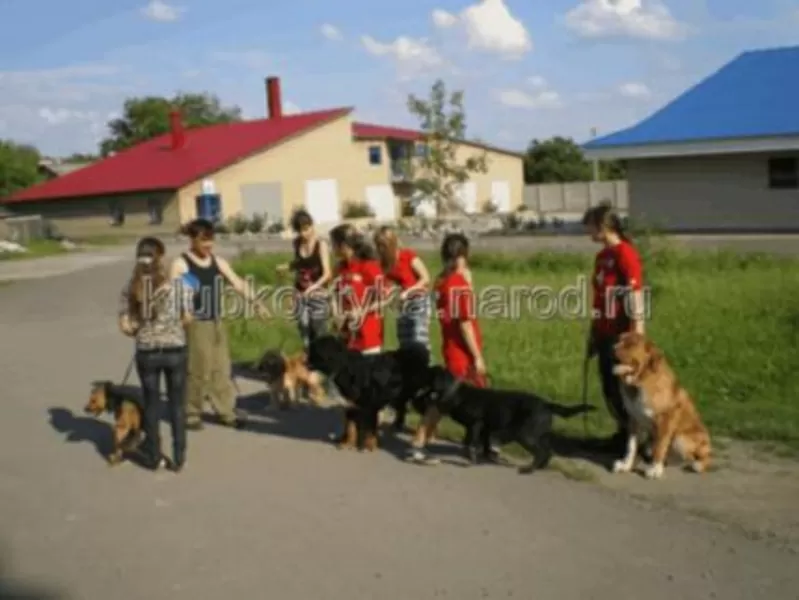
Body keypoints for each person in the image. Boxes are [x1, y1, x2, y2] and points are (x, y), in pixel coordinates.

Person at [170, 218, 262, 431]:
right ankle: (192, 413)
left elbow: (237, 282)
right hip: (196, 324)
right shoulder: (181, 263)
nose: (208, 245)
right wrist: (185, 311)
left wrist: (256, 302)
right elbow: (178, 292)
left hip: (217, 321)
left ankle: (226, 412)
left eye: (210, 240)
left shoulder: (217, 261)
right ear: (192, 240)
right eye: (204, 241)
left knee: (222, 368)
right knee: (198, 369)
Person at [408, 232, 489, 464]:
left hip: (449, 346)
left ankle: (479, 442)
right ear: (461, 256)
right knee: (445, 400)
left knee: (469, 398)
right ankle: (419, 442)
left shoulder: (442, 280)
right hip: (462, 351)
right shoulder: (458, 283)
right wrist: (477, 356)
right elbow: (464, 324)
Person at [118, 237, 191, 471]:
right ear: (160, 257)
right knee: (176, 405)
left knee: (151, 404)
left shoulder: (131, 287)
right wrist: (172, 328)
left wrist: (140, 331)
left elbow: (126, 326)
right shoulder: (177, 285)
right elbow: (188, 318)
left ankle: (153, 455)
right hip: (175, 351)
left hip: (147, 353)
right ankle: (179, 457)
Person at [582, 202, 646, 453]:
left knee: (626, 389)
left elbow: (635, 294)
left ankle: (641, 440)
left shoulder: (625, 253)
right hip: (604, 331)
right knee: (609, 386)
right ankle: (623, 434)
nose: (587, 231)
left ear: (603, 226)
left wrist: (637, 336)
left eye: (589, 225)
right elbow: (599, 296)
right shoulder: (601, 257)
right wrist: (593, 333)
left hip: (622, 336)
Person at [277, 209, 332, 350]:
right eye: (300, 231)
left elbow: (327, 273)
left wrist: (313, 287)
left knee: (318, 328)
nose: (303, 234)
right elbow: (299, 264)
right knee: (303, 327)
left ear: (312, 226)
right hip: (300, 292)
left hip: (318, 293)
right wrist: (287, 267)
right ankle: (310, 357)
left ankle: (323, 360)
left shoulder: (321, 245)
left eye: (306, 229)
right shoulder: (297, 243)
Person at [329, 223, 385, 355]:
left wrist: (362, 311)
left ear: (343, 246)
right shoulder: (339, 268)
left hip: (368, 336)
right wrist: (336, 313)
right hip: (346, 336)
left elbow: (384, 298)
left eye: (333, 245)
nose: (332, 249)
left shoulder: (369, 266)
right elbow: (334, 294)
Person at [373, 225, 431, 350]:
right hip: (401, 304)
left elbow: (425, 278)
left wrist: (408, 292)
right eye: (378, 246)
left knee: (418, 339)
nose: (380, 249)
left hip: (418, 301)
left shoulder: (407, 256)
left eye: (382, 246)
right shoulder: (385, 264)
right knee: (404, 339)